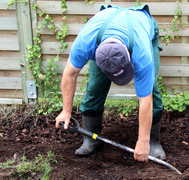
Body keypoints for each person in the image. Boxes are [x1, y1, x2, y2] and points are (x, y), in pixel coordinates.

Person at [55, 4, 165, 162]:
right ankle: (91, 138)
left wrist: (143, 141)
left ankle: (153, 141)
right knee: (95, 86)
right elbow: (69, 74)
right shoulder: (86, 42)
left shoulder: (141, 53)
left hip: (142, 26)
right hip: (103, 32)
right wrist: (66, 111)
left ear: (128, 54)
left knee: (150, 88)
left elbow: (144, 99)